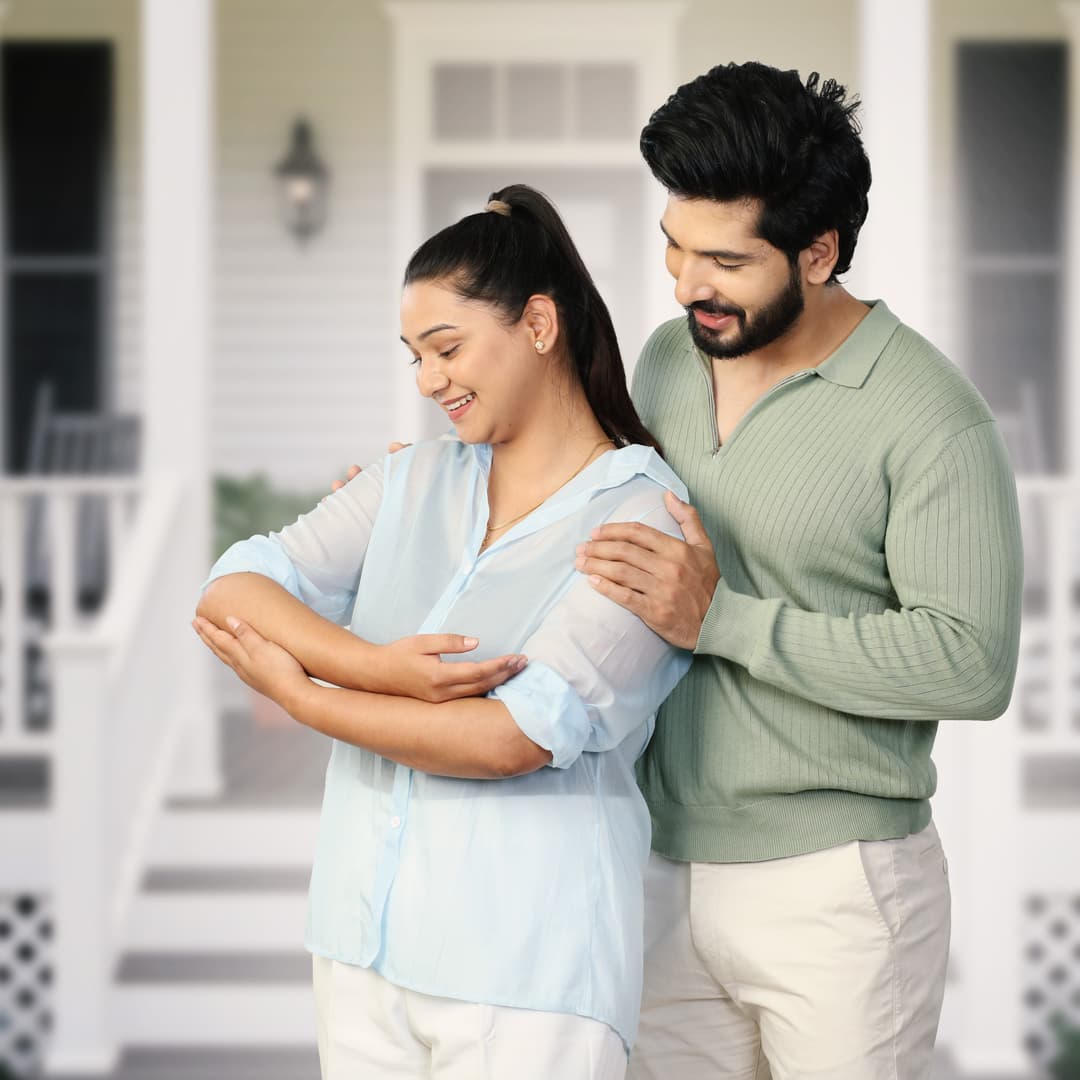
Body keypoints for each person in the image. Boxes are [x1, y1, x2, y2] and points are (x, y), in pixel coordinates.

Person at [571, 62, 1024, 1079]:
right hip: (658, 863)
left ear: (818, 253)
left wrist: (722, 619)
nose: (689, 284)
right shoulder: (666, 361)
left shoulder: (929, 418)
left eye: (726, 261)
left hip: (839, 889)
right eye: (675, 248)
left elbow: (971, 663)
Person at [193, 184, 691, 1080]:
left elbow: (511, 737)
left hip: (525, 974)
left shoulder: (640, 519)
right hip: (359, 949)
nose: (429, 381)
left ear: (539, 325)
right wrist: (373, 666)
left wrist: (305, 693)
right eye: (415, 356)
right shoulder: (409, 480)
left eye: (447, 348)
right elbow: (233, 587)